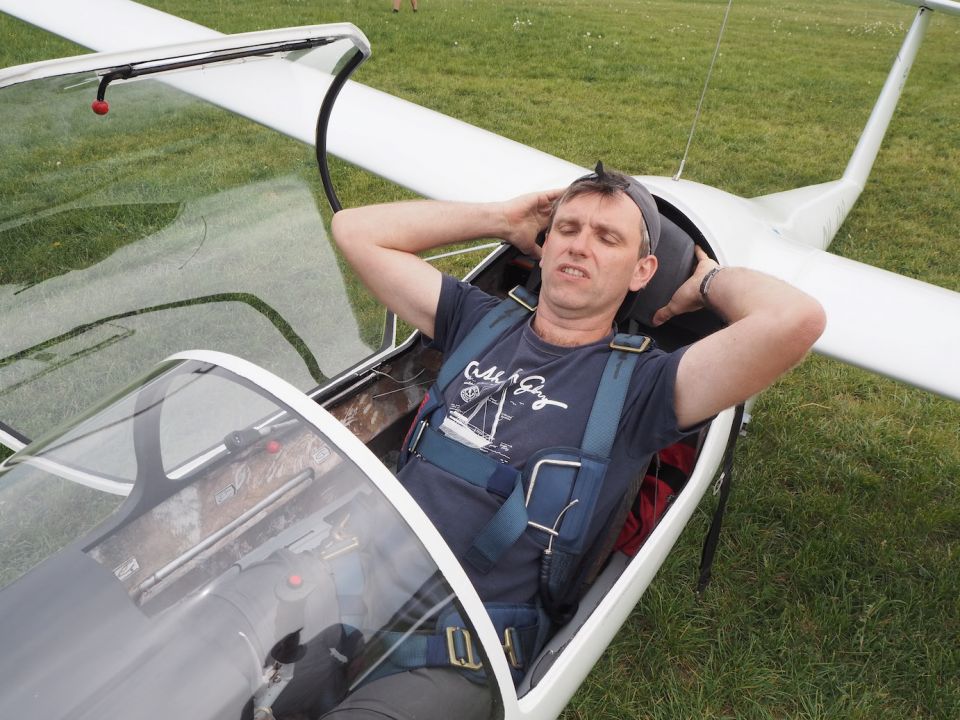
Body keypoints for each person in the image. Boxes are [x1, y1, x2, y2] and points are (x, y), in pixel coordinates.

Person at [326, 166, 826, 719]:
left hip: (451, 646)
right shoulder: (476, 319)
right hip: (345, 580)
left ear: (642, 271)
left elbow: (795, 320)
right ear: (544, 248)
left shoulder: (644, 389)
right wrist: (501, 219)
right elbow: (355, 230)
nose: (580, 245)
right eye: (567, 229)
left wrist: (706, 281)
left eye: (607, 238)